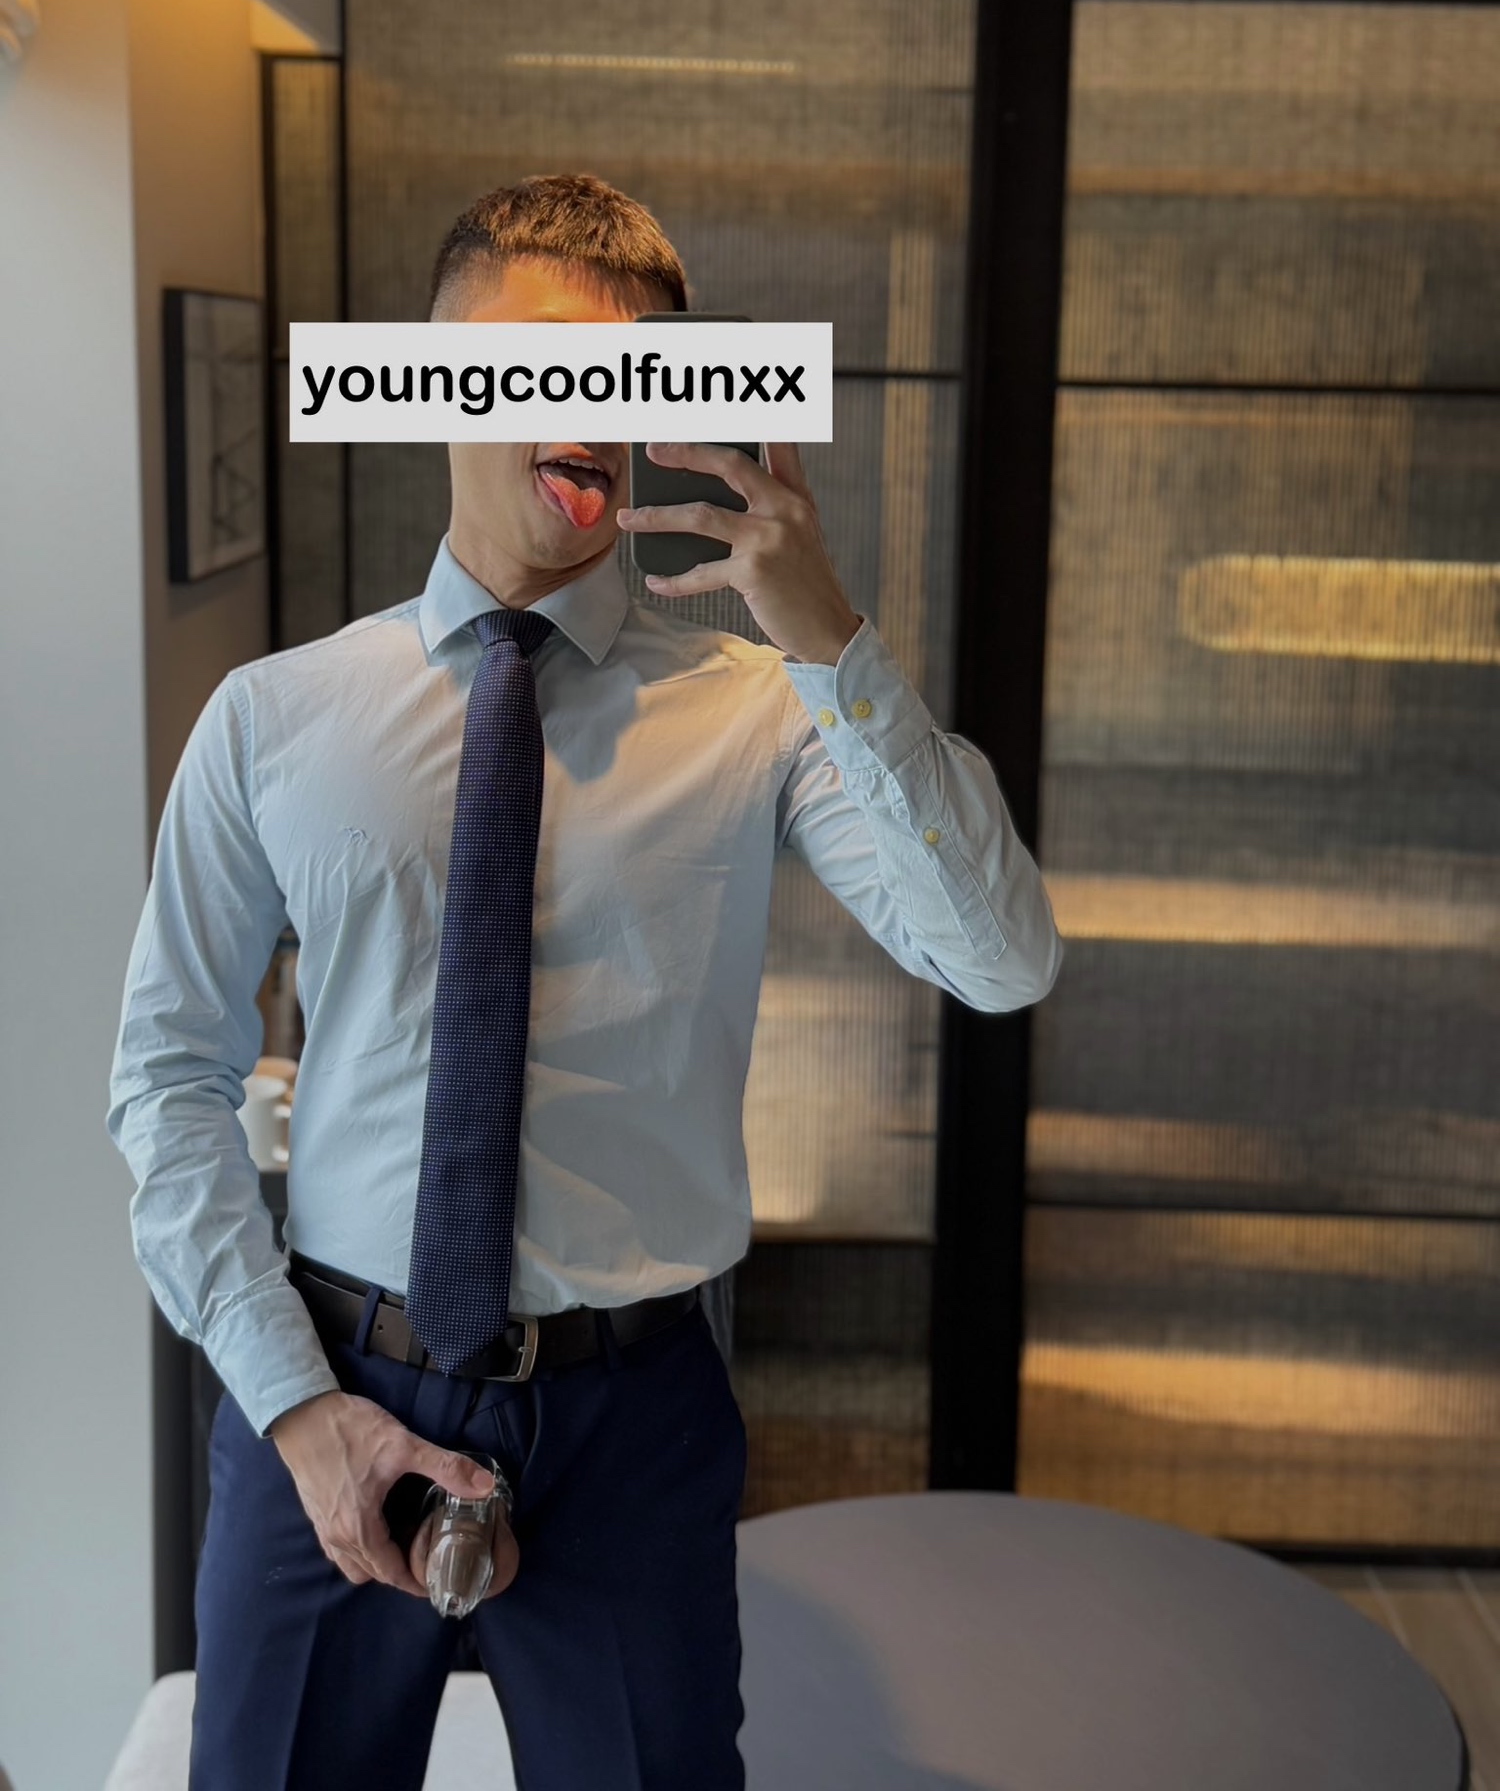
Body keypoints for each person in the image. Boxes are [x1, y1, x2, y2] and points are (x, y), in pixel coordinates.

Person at [108, 172, 1063, 1791]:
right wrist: (294, 1408)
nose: (591, 409)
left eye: (636, 371)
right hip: (328, 1381)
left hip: (634, 1421)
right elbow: (166, 1081)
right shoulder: (275, 719)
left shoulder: (767, 707)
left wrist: (832, 640)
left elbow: (1003, 959)